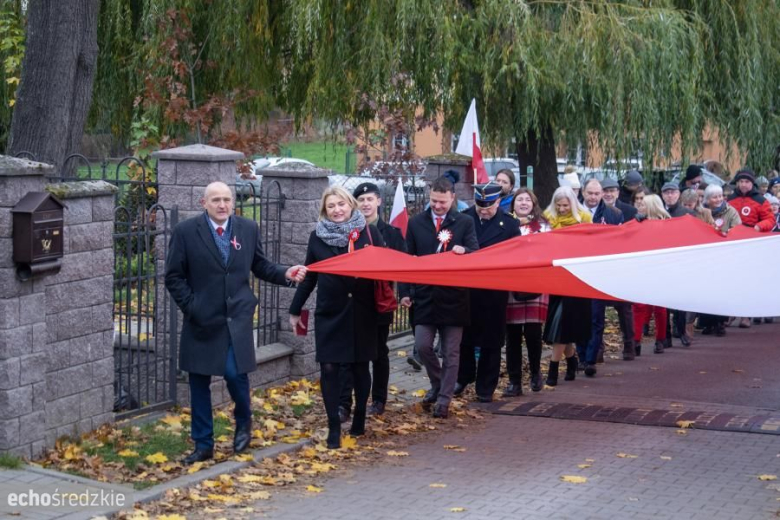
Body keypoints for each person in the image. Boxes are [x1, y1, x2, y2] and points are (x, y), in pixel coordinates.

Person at [165, 181, 307, 465]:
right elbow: (173, 276)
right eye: (216, 199)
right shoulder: (185, 232)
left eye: (227, 199)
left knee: (234, 374)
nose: (222, 205)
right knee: (198, 383)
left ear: (233, 202)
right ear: (202, 202)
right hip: (202, 321)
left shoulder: (247, 228)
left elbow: (261, 265)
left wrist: (285, 273)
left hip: (237, 319)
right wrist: (193, 307)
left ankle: (243, 422)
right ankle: (203, 444)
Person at [289, 186, 385, 449]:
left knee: (358, 367)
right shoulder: (317, 238)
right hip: (330, 313)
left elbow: (388, 266)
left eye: (341, 204)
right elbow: (310, 275)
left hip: (361, 312)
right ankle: (333, 425)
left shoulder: (368, 233)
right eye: (331, 206)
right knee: (329, 368)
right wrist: (295, 310)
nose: (337, 210)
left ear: (350, 206)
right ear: (324, 211)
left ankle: (360, 417)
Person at [399, 176, 479, 419]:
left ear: (452, 198)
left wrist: (464, 251)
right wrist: (404, 292)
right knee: (423, 346)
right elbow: (406, 260)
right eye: (434, 201)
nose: (437, 206)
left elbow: (476, 253)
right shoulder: (416, 223)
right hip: (424, 296)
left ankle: (444, 401)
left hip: (454, 297)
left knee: (452, 353)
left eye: (442, 202)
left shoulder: (464, 222)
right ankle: (438, 384)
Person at [338, 183, 406, 419]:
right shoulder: (346, 230)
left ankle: (378, 399)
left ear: (378, 201)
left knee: (378, 352)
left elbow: (402, 266)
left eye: (370, 199)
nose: (365, 204)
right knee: (350, 354)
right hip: (353, 303)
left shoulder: (392, 234)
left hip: (379, 303)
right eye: (361, 199)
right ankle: (345, 403)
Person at [455, 182, 519, 402]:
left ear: (499, 202)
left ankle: (485, 387)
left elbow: (515, 256)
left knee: (491, 341)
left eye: (488, 205)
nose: (483, 209)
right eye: (480, 204)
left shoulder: (509, 225)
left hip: (493, 292)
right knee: (464, 338)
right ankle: (463, 377)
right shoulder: (463, 219)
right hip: (466, 290)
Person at [577, 179, 636, 375]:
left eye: (596, 193)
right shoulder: (575, 212)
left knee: (597, 317)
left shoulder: (614, 214)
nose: (593, 197)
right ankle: (581, 354)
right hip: (578, 271)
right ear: (583, 192)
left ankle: (591, 359)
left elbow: (619, 243)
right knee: (580, 316)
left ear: (601, 194)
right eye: (589, 193)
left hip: (601, 271)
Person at [542, 187, 592, 386]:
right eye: (558, 205)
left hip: (577, 278)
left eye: (565, 205)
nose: (562, 209)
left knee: (562, 323)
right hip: (556, 276)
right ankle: (571, 361)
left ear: (573, 204)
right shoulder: (548, 220)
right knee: (563, 324)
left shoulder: (585, 218)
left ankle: (553, 369)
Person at [504, 189, 550, 394]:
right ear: (513, 204)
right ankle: (514, 381)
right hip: (511, 283)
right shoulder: (505, 224)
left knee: (533, 333)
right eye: (519, 199)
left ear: (534, 203)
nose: (523, 203)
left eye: (527, 200)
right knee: (512, 336)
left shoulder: (543, 226)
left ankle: (535, 373)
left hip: (535, 283)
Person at [699, 184, 742, 335]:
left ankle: (720, 322)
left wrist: (727, 233)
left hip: (724, 255)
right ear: (707, 199)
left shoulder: (731, 211)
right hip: (705, 255)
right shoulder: (702, 211)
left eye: (720, 196)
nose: (718, 199)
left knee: (721, 289)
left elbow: (738, 229)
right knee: (706, 291)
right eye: (714, 197)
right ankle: (707, 322)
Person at [631, 195, 670, 355]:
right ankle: (636, 341)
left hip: (660, 270)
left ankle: (660, 339)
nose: (639, 207)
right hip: (642, 268)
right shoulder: (639, 223)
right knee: (639, 306)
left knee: (659, 307)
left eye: (643, 205)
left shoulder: (666, 225)